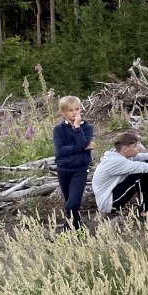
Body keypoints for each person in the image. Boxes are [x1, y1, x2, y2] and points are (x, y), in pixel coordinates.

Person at [53, 95, 94, 230]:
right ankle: (76, 229)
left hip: (80, 169)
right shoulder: (58, 129)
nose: (75, 113)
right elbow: (60, 150)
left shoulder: (87, 127)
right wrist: (81, 147)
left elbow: (82, 142)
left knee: (73, 202)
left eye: (77, 109)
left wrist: (77, 127)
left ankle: (68, 229)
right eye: (70, 110)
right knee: (69, 202)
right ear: (62, 112)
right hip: (63, 169)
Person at [91, 132, 148, 215]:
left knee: (146, 164)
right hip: (108, 203)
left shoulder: (121, 154)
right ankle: (145, 209)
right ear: (125, 149)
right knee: (142, 173)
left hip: (113, 194)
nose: (138, 148)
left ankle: (145, 207)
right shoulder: (116, 161)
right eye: (135, 146)